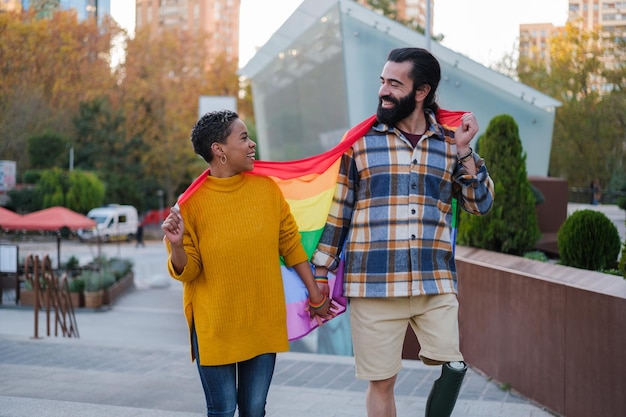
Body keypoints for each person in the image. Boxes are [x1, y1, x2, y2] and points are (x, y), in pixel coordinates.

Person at [311, 47, 495, 417]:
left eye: (395, 83)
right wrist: (320, 273)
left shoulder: (449, 142)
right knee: (381, 382)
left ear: (422, 91)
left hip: (434, 281)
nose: (383, 91)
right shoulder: (360, 141)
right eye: (383, 81)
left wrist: (465, 152)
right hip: (373, 282)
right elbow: (340, 211)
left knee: (454, 366)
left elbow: (480, 204)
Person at [160, 110, 332, 417]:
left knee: (254, 410)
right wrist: (176, 245)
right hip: (216, 325)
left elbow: (290, 245)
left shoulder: (266, 190)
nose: (252, 144)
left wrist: (316, 295)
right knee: (223, 410)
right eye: (243, 138)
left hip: (261, 320)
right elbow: (189, 270)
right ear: (219, 150)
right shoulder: (189, 205)